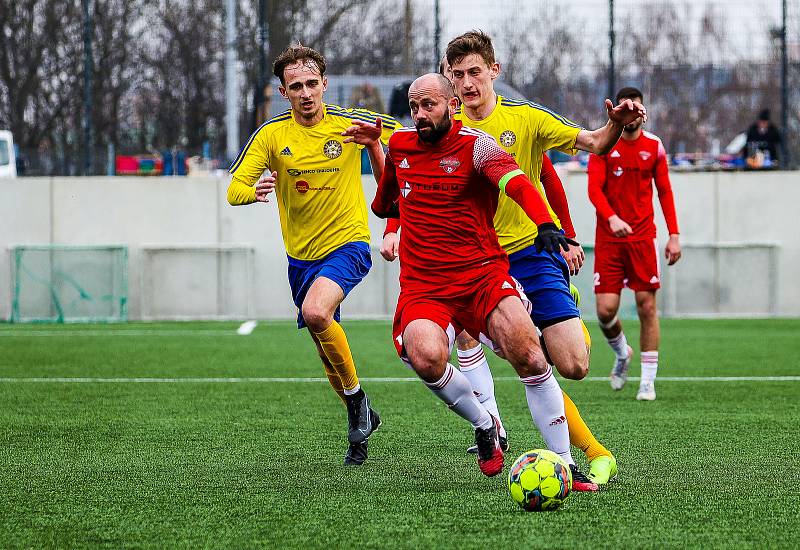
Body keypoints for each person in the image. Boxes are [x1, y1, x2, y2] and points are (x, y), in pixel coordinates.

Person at [382, 32, 646, 485]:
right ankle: (497, 430)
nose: (467, 83)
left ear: (494, 72)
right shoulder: (432, 123)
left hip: (526, 252)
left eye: (475, 73)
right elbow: (406, 189)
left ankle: (549, 327)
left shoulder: (523, 120)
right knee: (467, 345)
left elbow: (577, 157)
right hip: (470, 262)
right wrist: (392, 230)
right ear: (448, 79)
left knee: (574, 365)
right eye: (458, 74)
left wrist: (564, 234)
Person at [371, 71, 584, 480]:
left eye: (428, 105)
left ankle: (566, 465)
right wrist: (378, 154)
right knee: (424, 355)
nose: (419, 114)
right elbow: (385, 205)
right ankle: (486, 424)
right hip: (425, 285)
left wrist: (545, 223)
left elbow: (518, 182)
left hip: (482, 275)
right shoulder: (400, 146)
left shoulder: (477, 146)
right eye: (414, 106)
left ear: (452, 106)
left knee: (530, 354)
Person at [226, 44, 400, 466]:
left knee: (318, 313)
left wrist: (385, 150)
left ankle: (358, 404)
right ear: (283, 92)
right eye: (295, 86)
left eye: (311, 83)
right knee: (327, 355)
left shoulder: (351, 123)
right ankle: (360, 423)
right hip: (301, 259)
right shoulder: (271, 136)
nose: (305, 92)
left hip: (349, 243)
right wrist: (254, 192)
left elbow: (409, 138)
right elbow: (234, 190)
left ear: (324, 84)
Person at [588, 86, 681, 402]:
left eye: (636, 107)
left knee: (647, 306)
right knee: (605, 311)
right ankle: (621, 353)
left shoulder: (654, 146)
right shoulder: (604, 145)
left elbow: (665, 192)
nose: (631, 114)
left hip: (643, 238)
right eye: (626, 108)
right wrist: (612, 218)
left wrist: (674, 235)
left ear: (643, 111)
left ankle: (647, 382)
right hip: (609, 240)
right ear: (618, 112)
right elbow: (594, 191)